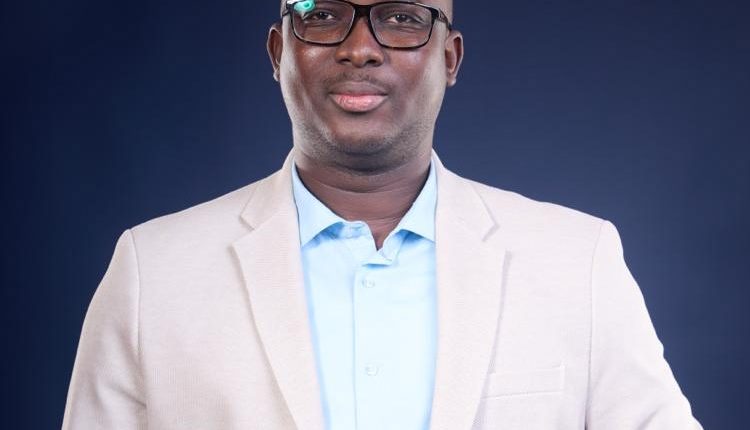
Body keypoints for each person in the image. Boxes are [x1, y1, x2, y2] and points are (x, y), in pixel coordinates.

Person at [62, 0, 703, 428]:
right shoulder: (155, 271)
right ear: (278, 52)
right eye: (323, 15)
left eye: (401, 18)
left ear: (449, 59)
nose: (360, 48)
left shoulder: (576, 260)